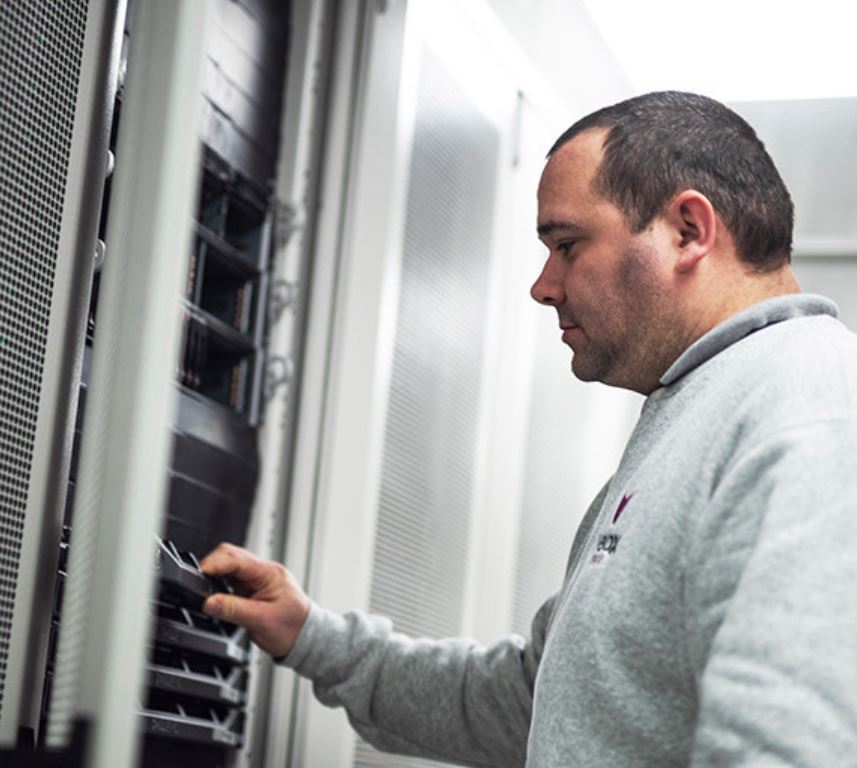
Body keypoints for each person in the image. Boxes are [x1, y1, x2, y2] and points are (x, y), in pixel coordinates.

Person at [200, 91, 857, 767]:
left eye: (566, 245)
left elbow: (790, 743)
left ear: (688, 231)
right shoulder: (701, 406)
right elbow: (541, 703)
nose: (543, 286)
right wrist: (312, 637)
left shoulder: (807, 408)